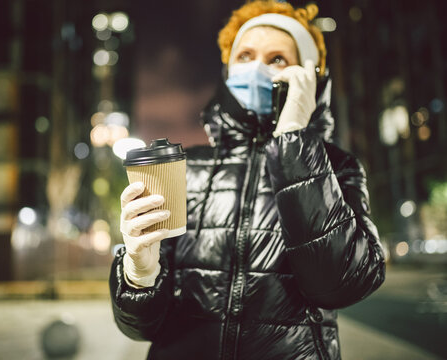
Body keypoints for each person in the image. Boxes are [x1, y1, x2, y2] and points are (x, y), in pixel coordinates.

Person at [110, 1, 386, 359]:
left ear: (307, 75)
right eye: (245, 55)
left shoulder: (337, 167)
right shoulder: (186, 168)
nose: (256, 67)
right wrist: (140, 273)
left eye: (277, 59)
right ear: (228, 69)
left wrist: (295, 140)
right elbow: (141, 327)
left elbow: (342, 285)